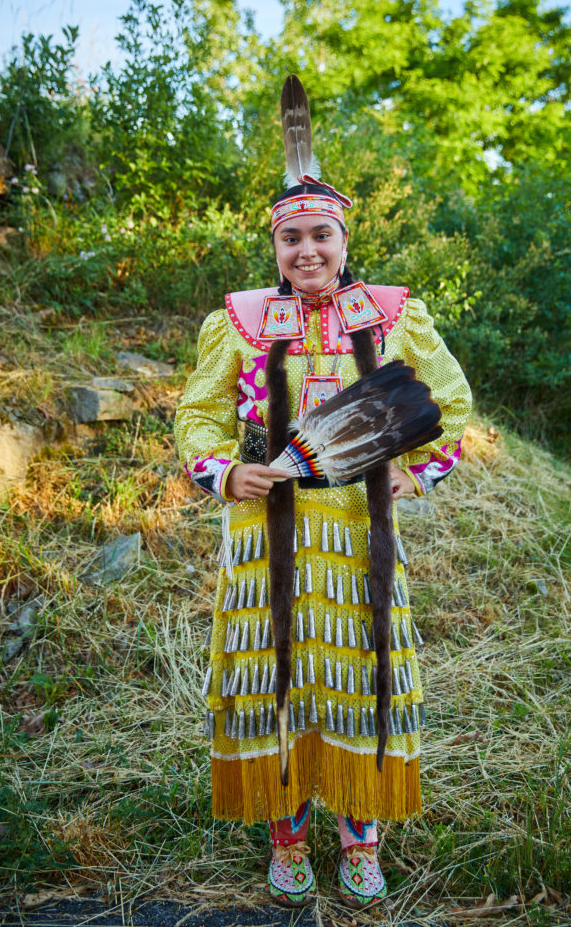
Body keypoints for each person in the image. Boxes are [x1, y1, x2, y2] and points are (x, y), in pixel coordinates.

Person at [174, 77, 472, 909]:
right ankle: (287, 833)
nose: (306, 251)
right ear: (274, 247)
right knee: (277, 679)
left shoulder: (391, 314)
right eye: (291, 239)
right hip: (266, 537)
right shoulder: (235, 318)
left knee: (363, 681)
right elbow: (196, 413)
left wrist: (419, 473)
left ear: (345, 239)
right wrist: (224, 471)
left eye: (322, 236)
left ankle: (361, 837)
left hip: (357, 537)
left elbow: (450, 404)